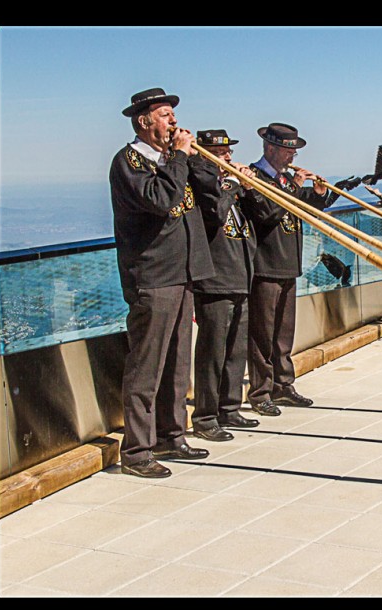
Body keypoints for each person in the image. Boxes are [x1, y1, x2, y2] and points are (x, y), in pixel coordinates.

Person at [110, 88, 213, 478]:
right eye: (166, 115)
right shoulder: (129, 162)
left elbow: (204, 196)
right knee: (146, 367)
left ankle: (172, 435)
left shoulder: (173, 160)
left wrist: (196, 158)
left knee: (177, 363)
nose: (173, 122)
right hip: (152, 277)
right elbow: (161, 199)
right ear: (144, 122)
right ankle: (136, 451)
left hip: (182, 274)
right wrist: (180, 158)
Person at [241, 123, 331, 417]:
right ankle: (260, 391)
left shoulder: (282, 179)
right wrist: (293, 186)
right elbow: (268, 212)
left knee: (283, 333)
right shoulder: (255, 177)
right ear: (270, 148)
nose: (293, 157)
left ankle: (283, 385)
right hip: (265, 265)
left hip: (288, 264)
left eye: (294, 151)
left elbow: (301, 206)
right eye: (288, 150)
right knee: (262, 335)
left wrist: (316, 194)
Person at [189, 129, 261, 442]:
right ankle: (205, 417)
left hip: (241, 277)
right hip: (215, 280)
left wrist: (249, 188)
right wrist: (231, 185)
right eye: (220, 154)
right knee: (212, 353)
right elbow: (214, 214)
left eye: (228, 152)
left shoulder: (232, 189)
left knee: (236, 350)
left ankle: (229, 406)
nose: (228, 158)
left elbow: (262, 217)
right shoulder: (203, 184)